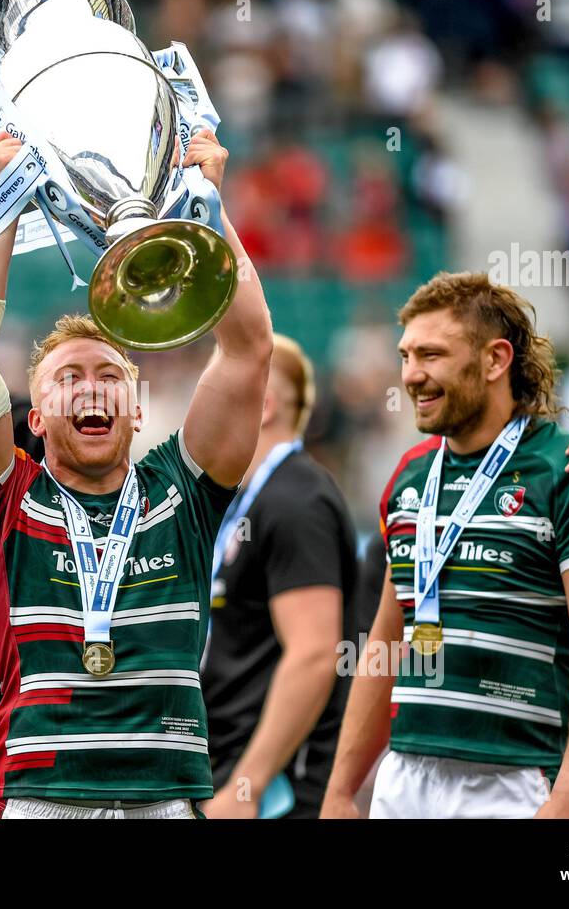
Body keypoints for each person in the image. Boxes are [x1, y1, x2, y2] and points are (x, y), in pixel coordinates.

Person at [0, 128, 273, 818]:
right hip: (40, 800)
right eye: (68, 377)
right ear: (35, 417)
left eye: (109, 375)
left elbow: (248, 348)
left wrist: (208, 207)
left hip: (166, 799)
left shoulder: (180, 493)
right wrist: (2, 202)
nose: (92, 388)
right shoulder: (5, 500)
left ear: (137, 406)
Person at [320, 272, 569, 819]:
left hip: (522, 778)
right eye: (405, 355)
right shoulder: (408, 477)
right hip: (407, 777)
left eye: (431, 355)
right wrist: (340, 788)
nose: (410, 375)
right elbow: (387, 637)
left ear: (496, 361)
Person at [201, 334, 364, 819]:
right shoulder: (250, 498)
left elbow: (314, 654)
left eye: (215, 384)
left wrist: (245, 788)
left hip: (278, 792)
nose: (201, 399)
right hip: (236, 771)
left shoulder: (297, 499)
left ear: (263, 403)